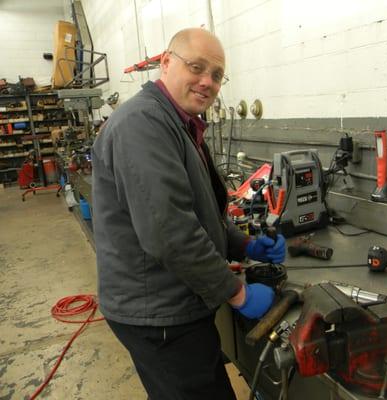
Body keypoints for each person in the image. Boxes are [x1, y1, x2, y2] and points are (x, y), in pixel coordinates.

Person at [91, 27, 286, 400]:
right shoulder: (143, 124)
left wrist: (244, 244)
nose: (206, 82)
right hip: (159, 313)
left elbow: (197, 212)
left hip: (176, 305)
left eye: (216, 75)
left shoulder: (177, 122)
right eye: (196, 67)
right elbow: (170, 231)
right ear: (166, 62)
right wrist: (238, 294)